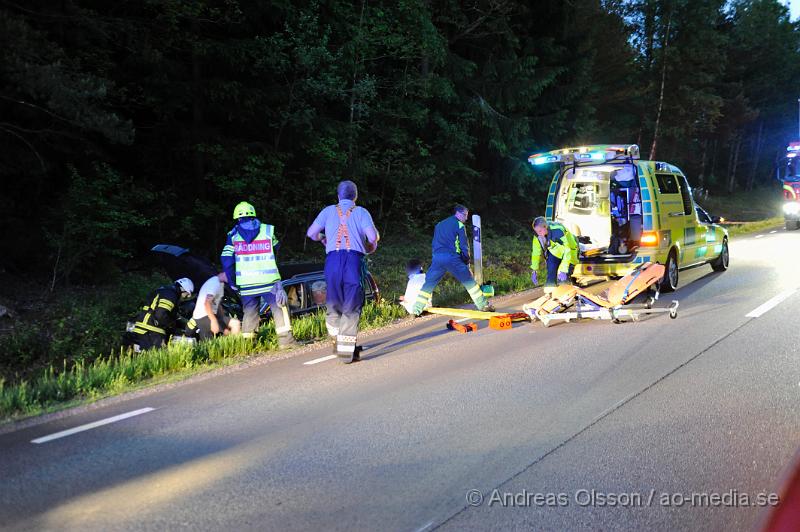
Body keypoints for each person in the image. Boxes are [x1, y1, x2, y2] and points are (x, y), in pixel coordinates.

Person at [306, 180, 379, 363]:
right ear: (355, 196)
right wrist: (372, 243)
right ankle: (346, 353)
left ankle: (336, 339)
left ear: (338, 196)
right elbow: (372, 237)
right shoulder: (361, 212)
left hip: (332, 261)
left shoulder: (328, 211)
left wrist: (323, 238)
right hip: (353, 261)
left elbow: (311, 233)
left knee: (334, 302)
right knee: (352, 305)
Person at [220, 201, 298, 349]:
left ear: (237, 218)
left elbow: (226, 260)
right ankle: (286, 342)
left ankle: (248, 346)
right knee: (280, 308)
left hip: (246, 283)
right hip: (269, 281)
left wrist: (232, 281)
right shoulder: (267, 230)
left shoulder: (233, 236)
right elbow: (276, 248)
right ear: (253, 214)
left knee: (250, 313)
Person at [411, 205, 493, 315]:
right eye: (465, 215)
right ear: (458, 213)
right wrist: (467, 263)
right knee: (469, 281)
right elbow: (464, 245)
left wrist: (436, 256)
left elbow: (434, 242)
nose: (466, 218)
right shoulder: (459, 225)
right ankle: (483, 305)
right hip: (451, 258)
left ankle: (415, 310)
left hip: (437, 258)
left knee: (428, 284)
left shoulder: (439, 225)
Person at [129, 277, 194, 351]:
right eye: (188, 293)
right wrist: (171, 325)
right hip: (152, 331)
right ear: (183, 289)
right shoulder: (170, 295)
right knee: (156, 356)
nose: (187, 296)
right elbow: (160, 315)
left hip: (141, 327)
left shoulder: (163, 290)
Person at [185, 273, 241, 340]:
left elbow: (218, 305)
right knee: (209, 343)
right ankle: (232, 345)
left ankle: (231, 344)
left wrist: (223, 324)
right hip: (203, 317)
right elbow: (207, 303)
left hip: (208, 315)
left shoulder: (220, 284)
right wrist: (213, 321)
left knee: (235, 323)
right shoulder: (214, 283)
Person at [530, 216, 579, 293]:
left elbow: (567, 250)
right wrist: (534, 269)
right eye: (536, 231)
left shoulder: (558, 230)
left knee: (563, 278)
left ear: (545, 227)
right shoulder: (537, 236)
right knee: (551, 273)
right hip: (555, 251)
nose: (538, 233)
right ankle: (551, 291)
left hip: (570, 250)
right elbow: (536, 253)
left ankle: (567, 289)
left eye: (539, 231)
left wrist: (563, 269)